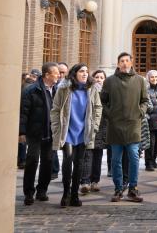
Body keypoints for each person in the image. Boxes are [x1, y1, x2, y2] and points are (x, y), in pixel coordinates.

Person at [50, 64, 102, 207]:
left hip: (83, 132)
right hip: (67, 132)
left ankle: (74, 194)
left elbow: (98, 107)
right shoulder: (64, 89)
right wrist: (56, 128)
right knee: (67, 162)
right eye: (81, 71)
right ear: (74, 74)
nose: (85, 74)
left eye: (86, 71)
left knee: (79, 164)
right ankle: (66, 194)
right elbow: (55, 109)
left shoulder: (92, 89)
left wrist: (95, 126)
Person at [100, 52, 149, 202]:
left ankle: (133, 188)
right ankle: (118, 188)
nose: (124, 63)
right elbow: (103, 101)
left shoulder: (140, 80)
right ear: (118, 63)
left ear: (132, 62)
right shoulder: (109, 81)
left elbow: (145, 100)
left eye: (127, 61)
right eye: (122, 61)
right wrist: (110, 114)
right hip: (115, 126)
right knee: (116, 160)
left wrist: (140, 112)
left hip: (133, 124)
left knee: (134, 157)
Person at [20, 62, 59, 205]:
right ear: (47, 75)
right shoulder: (31, 90)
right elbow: (24, 112)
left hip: (50, 132)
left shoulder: (57, 90)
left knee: (48, 162)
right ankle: (29, 193)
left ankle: (42, 190)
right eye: (56, 73)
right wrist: (21, 132)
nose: (58, 75)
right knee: (32, 160)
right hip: (35, 132)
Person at [81, 69, 108, 193]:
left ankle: (95, 181)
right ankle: (85, 181)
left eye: (101, 77)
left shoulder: (107, 92)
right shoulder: (88, 90)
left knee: (98, 155)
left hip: (102, 127)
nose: (99, 79)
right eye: (96, 77)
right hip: (90, 126)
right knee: (87, 154)